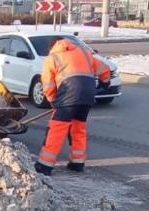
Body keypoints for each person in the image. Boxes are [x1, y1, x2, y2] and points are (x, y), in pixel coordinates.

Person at [34, 37, 111, 176]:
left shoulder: (53, 58)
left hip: (69, 93)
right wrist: (105, 83)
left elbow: (48, 84)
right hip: (88, 95)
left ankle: (45, 165)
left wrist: (53, 100)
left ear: (51, 47)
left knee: (57, 129)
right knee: (78, 127)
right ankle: (77, 163)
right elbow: (104, 69)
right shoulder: (85, 53)